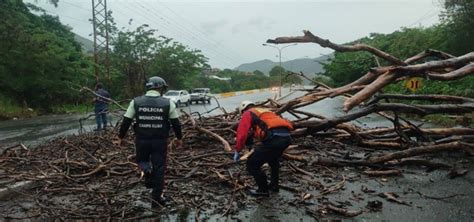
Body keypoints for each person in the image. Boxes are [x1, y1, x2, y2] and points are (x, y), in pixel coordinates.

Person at [114, 76, 183, 208]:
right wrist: (179, 138)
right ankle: (156, 199)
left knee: (142, 161)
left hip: (142, 140)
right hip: (160, 142)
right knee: (160, 168)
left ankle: (147, 170)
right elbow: (176, 124)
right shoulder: (168, 103)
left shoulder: (136, 102)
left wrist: (120, 137)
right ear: (160, 88)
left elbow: (126, 121)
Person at [233, 100, 293, 197]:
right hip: (286, 138)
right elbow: (252, 132)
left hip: (274, 139)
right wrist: (249, 145)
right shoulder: (264, 111)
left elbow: (242, 133)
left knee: (252, 164)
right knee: (273, 160)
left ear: (243, 110)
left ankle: (263, 190)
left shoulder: (248, 113)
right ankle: (274, 185)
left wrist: (237, 150)